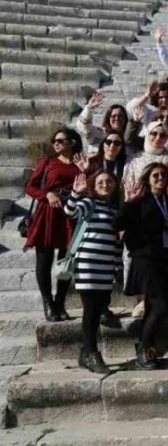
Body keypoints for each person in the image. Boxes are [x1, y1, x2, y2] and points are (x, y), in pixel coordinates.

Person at [114, 163, 168, 370]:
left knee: (155, 306)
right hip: (145, 260)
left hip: (165, 261)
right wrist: (127, 201)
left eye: (163, 175)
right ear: (148, 179)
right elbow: (117, 223)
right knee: (158, 305)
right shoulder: (140, 201)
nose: (160, 178)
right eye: (155, 175)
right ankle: (142, 347)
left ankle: (148, 350)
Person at [64, 172, 123, 374]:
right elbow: (69, 212)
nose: (105, 185)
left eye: (108, 182)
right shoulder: (89, 203)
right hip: (88, 264)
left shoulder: (114, 209)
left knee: (98, 310)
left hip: (106, 266)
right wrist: (75, 193)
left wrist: (117, 265)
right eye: (100, 182)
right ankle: (92, 353)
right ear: (93, 185)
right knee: (90, 310)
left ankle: (84, 352)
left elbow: (115, 241)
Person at [24, 127, 83, 323]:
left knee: (66, 262)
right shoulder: (47, 162)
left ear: (72, 142)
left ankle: (60, 302)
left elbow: (89, 186)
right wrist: (47, 194)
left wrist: (86, 169)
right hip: (48, 212)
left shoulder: (80, 163)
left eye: (60, 140)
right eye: (54, 141)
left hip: (71, 213)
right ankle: (48, 303)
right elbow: (30, 187)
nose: (56, 143)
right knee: (44, 260)